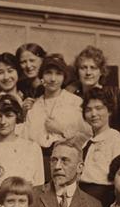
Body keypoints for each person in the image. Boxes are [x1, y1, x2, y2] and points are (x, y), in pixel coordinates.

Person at [23, 53, 89, 181]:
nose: (53, 79)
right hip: (38, 165)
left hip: (66, 163)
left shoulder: (75, 102)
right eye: (48, 73)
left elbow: (87, 136)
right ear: (41, 77)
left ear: (64, 77)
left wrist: (62, 129)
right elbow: (26, 141)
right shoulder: (34, 106)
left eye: (58, 74)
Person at [0, 94, 44, 186]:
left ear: (17, 117)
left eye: (9, 116)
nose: (3, 122)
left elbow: (39, 184)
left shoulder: (32, 148)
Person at [79, 87, 120, 207]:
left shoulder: (117, 141)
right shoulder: (86, 143)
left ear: (109, 110)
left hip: (104, 199)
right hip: (82, 197)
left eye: (99, 108)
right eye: (88, 110)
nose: (93, 114)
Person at [15, 43, 46, 113]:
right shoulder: (19, 86)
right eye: (23, 62)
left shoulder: (51, 85)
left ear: (42, 60)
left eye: (32, 60)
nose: (28, 66)